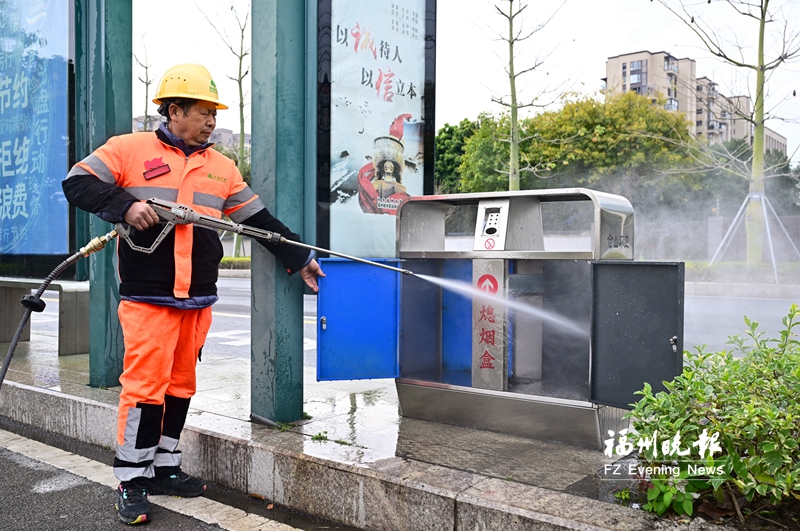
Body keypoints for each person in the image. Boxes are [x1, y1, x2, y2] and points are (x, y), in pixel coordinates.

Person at [62, 63, 324, 525]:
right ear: (174, 109)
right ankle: (131, 478)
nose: (211, 121)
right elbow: (78, 183)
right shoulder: (128, 149)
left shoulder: (221, 167)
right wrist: (126, 205)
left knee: (181, 385)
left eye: (214, 113)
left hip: (198, 299)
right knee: (144, 388)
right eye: (203, 112)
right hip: (148, 297)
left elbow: (258, 221)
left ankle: (164, 467)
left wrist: (299, 256)